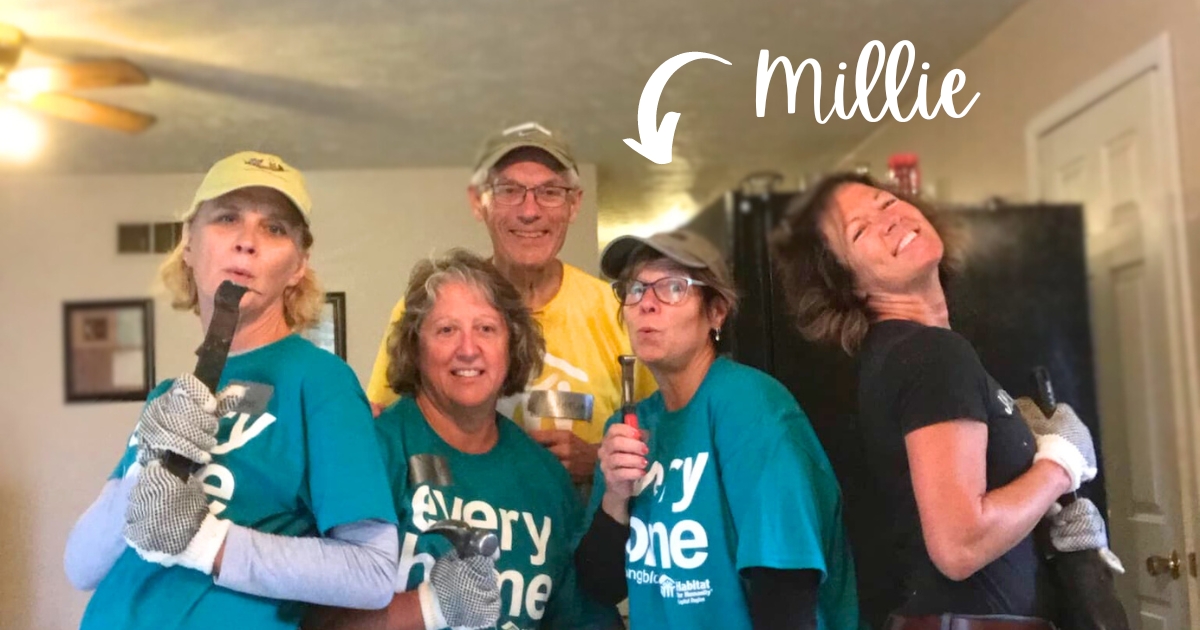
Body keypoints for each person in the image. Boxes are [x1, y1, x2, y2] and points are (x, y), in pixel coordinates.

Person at [64, 152, 399, 629]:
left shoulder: (320, 382)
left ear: (298, 264)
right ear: (188, 243)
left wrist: (201, 540)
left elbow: (372, 572)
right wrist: (148, 471)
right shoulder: (168, 396)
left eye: (275, 229)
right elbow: (82, 567)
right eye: (227, 218)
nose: (247, 242)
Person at [769, 172, 1109, 629]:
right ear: (848, 284)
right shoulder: (931, 355)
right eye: (860, 229)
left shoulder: (901, 353)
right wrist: (1060, 464)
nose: (888, 220)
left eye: (885, 202)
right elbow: (960, 547)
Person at [310, 250, 620, 630]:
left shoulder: (544, 478)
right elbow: (317, 619)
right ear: (415, 348)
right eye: (446, 330)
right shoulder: (376, 451)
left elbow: (580, 618)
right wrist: (429, 606)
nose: (468, 349)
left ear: (512, 344)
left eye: (486, 328)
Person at [574, 230, 861, 630]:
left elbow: (784, 586)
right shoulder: (629, 426)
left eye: (673, 288)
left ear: (717, 312)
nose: (647, 305)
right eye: (636, 289)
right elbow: (600, 586)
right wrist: (615, 500)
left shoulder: (750, 406)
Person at [366, 122, 654, 485]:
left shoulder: (619, 310)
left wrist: (599, 459)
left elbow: (667, 435)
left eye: (550, 191)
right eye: (509, 190)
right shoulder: (427, 305)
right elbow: (383, 425)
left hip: (590, 532)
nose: (529, 211)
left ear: (574, 203)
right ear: (478, 202)